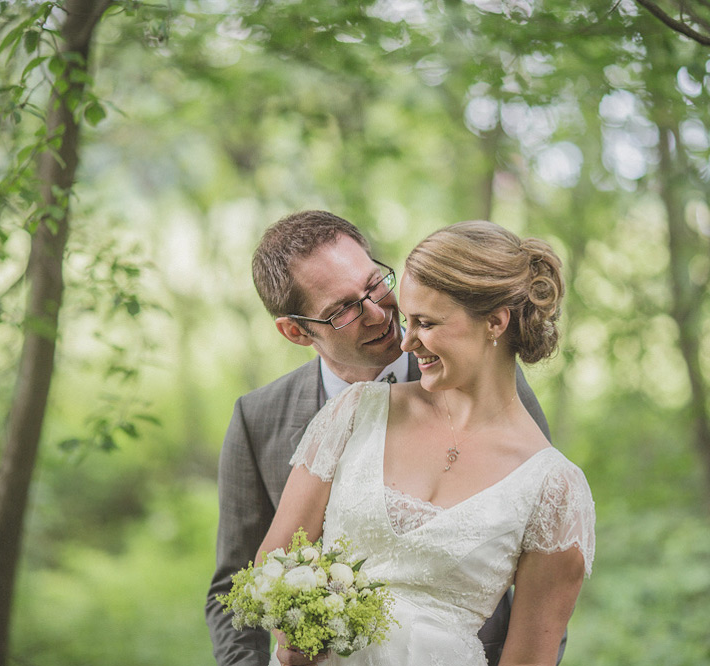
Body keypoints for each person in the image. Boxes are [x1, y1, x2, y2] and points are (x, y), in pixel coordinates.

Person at [205, 211, 557, 666]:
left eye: (374, 284)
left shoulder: (486, 384)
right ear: (296, 331)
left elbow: (543, 564)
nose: (377, 313)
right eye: (342, 310)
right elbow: (236, 584)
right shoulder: (258, 419)